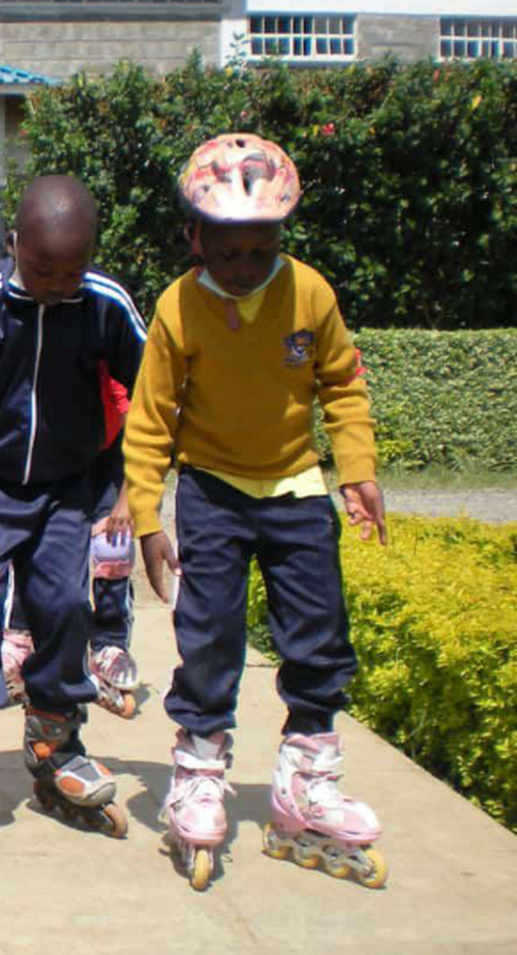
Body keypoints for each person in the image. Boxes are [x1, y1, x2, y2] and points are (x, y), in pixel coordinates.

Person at [123, 133, 388, 891]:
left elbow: (341, 383)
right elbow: (150, 419)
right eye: (228, 250)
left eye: (261, 249)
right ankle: (201, 767)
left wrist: (356, 470)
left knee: (319, 630)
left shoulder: (309, 292)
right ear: (194, 237)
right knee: (209, 631)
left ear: (282, 240)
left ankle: (307, 773)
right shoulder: (178, 307)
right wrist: (148, 518)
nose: (244, 267)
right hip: (210, 486)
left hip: (296, 485)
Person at [0, 174, 146, 862]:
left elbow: (157, 387)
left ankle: (55, 735)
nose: (55, 285)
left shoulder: (104, 304)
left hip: (70, 488)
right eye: (42, 269)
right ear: (13, 243)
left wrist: (133, 481)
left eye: (72, 271)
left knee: (66, 606)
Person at [1, 365, 140, 716]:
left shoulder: (111, 346)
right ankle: (21, 635)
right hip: (54, 453)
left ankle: (109, 643)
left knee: (114, 546)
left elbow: (140, 428)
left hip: (110, 455)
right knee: (35, 542)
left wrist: (126, 498)